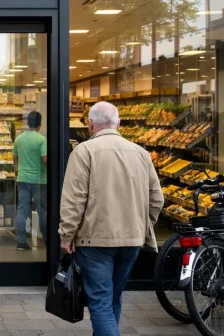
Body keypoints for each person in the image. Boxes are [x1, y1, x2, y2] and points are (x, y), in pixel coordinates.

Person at [58, 102, 164, 336]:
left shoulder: (84, 152)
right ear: (118, 123)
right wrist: (142, 226)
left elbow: (74, 200)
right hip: (132, 241)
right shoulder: (141, 153)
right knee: (113, 298)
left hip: (95, 241)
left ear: (90, 124)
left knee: (100, 303)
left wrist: (67, 235)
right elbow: (157, 199)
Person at [13, 111, 47, 251]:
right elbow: (45, 159)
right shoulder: (42, 139)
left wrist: (19, 171)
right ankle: (46, 239)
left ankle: (21, 241)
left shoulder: (18, 139)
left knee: (22, 209)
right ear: (40, 124)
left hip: (22, 179)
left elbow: (15, 159)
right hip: (39, 180)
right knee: (42, 210)